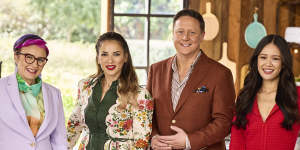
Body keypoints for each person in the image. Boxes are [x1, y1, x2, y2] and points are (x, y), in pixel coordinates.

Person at [147, 9, 236, 150]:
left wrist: (189, 141)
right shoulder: (156, 70)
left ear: (202, 36)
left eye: (192, 33)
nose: (185, 37)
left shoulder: (221, 74)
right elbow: (147, 113)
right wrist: (153, 137)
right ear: (173, 34)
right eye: (180, 32)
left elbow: (224, 122)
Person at [67, 32, 153, 150]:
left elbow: (141, 143)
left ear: (125, 57)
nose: (110, 60)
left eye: (116, 54)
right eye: (104, 54)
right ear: (98, 58)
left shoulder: (140, 95)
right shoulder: (85, 86)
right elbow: (73, 127)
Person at [230, 34, 300, 150]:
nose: (268, 63)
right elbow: (237, 142)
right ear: (256, 60)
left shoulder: (295, 96)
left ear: (283, 63)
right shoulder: (246, 97)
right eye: (263, 57)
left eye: (275, 58)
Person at [0, 34, 67, 149]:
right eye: (29, 57)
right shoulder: (2, 87)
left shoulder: (54, 94)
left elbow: (59, 139)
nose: (35, 64)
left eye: (40, 60)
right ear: (16, 56)